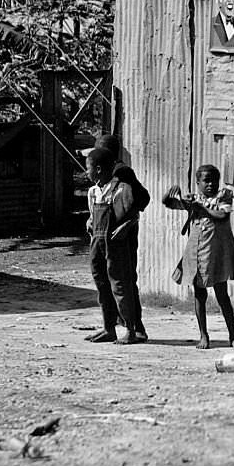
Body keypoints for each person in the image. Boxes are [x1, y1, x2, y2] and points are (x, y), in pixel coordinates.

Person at [163, 164, 234, 349]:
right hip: (197, 251)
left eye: (214, 180)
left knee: (222, 294)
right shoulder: (194, 199)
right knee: (199, 294)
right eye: (206, 181)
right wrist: (169, 195)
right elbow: (169, 204)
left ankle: (233, 335)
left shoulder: (222, 196)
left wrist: (202, 208)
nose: (211, 184)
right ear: (198, 183)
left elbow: (222, 215)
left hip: (217, 253)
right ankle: (203, 335)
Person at [93, 134, 151, 342]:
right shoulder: (103, 179)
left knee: (124, 279)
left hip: (122, 235)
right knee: (108, 280)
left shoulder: (122, 172)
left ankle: (136, 327)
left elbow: (142, 198)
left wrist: (128, 223)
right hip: (107, 233)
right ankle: (113, 326)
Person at [84, 147, 140, 345]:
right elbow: (93, 215)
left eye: (88, 168)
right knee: (101, 284)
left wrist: (125, 227)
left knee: (120, 285)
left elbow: (133, 214)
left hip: (114, 244)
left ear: (98, 169)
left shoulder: (121, 188)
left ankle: (130, 329)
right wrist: (90, 221)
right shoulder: (93, 192)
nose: (86, 173)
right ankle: (109, 328)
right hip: (96, 243)